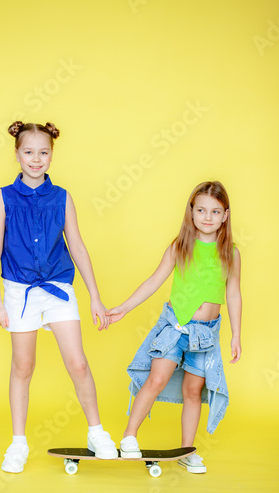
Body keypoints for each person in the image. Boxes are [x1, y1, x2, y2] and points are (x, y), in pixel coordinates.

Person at [0, 121, 118, 473]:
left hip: (58, 288)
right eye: (28, 152)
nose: (36, 159)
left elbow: (76, 245)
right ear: (17, 155)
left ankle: (96, 432)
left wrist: (94, 297)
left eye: (43, 152)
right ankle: (18, 443)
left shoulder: (62, 197)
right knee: (23, 366)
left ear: (51, 155)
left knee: (77, 362)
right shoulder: (3, 197)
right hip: (18, 291)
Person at [106, 181, 242, 474]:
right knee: (157, 378)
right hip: (176, 327)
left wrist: (236, 335)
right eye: (201, 210)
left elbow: (233, 293)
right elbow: (154, 282)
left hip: (206, 335)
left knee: (194, 391)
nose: (208, 217)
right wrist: (124, 308)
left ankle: (186, 450)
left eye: (215, 211)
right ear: (191, 212)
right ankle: (129, 436)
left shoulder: (230, 253)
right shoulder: (180, 247)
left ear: (225, 215)